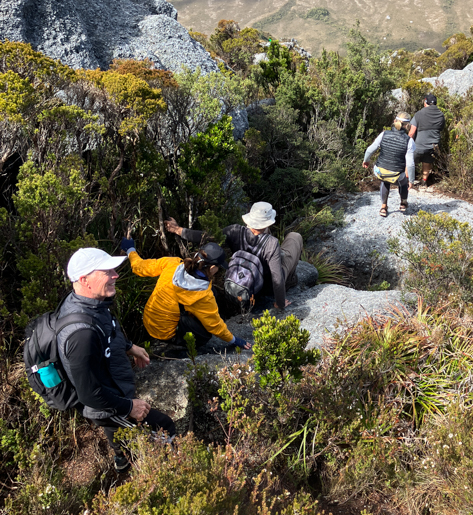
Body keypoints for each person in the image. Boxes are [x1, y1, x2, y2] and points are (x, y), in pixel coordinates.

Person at [59, 247, 176, 472]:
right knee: (164, 427)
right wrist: (128, 406)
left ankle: (121, 458)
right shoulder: (81, 334)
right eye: (107, 271)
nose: (116, 275)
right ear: (85, 279)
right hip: (107, 404)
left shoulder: (91, 303)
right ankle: (168, 475)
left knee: (118, 432)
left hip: (114, 387)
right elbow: (89, 394)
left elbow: (108, 330)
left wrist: (130, 347)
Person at [120, 237, 250, 353]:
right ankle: (181, 346)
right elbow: (214, 325)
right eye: (218, 267)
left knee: (211, 295)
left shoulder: (172, 263)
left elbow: (140, 267)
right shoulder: (203, 295)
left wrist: (130, 249)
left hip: (149, 321)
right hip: (165, 334)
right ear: (211, 268)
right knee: (206, 333)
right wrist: (234, 340)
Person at [165, 202, 303, 311]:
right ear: (268, 223)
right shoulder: (271, 243)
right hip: (264, 287)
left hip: (243, 283)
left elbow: (206, 237)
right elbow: (277, 278)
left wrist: (177, 230)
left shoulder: (234, 231)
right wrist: (280, 303)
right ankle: (291, 280)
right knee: (294, 237)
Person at [362, 112, 415, 217]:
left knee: (385, 181)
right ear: (408, 125)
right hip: (397, 174)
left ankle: (383, 207)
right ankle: (403, 203)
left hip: (379, 171)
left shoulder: (384, 134)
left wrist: (366, 160)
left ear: (394, 121)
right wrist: (412, 180)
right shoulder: (409, 141)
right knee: (403, 182)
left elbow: (369, 150)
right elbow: (411, 164)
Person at [408, 93, 445, 186]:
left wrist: (407, 144)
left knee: (409, 161)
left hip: (419, 145)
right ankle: (424, 181)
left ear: (425, 102)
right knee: (427, 161)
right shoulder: (441, 115)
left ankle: (408, 181)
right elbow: (441, 129)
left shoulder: (420, 113)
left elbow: (412, 132)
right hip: (434, 145)